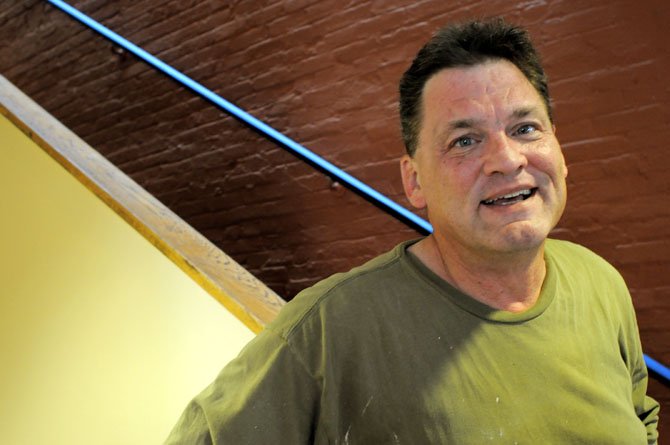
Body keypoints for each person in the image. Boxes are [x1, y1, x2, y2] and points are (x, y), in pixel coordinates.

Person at [166, 18, 660, 444]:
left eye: (526, 128)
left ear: (560, 150)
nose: (507, 159)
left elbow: (641, 420)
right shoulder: (330, 331)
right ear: (414, 180)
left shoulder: (600, 284)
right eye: (464, 140)